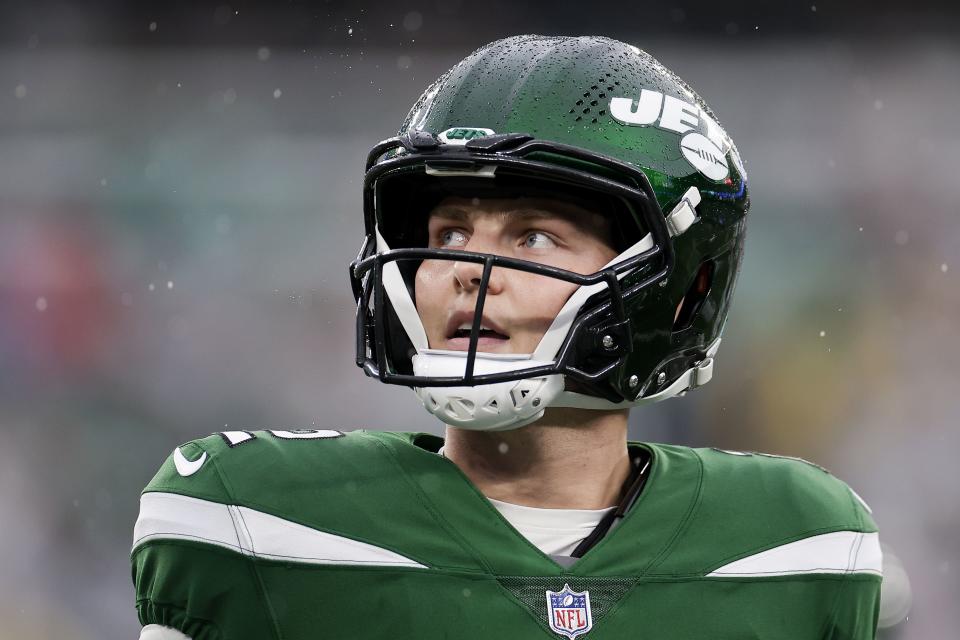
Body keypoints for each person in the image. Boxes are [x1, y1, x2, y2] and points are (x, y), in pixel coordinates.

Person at [131, 35, 882, 640]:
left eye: (535, 238)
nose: (466, 270)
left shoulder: (797, 548)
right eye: (449, 230)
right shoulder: (258, 524)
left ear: (677, 285)